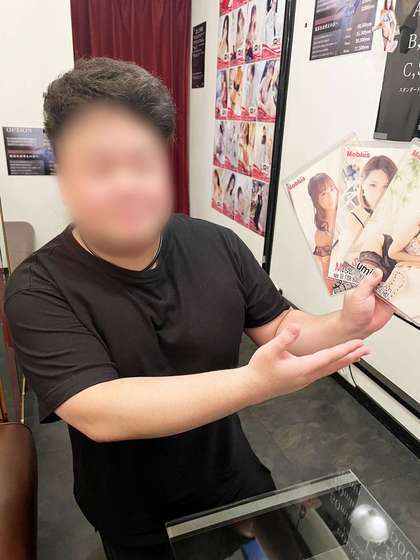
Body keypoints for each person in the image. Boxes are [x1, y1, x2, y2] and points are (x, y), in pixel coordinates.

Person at [4, 57, 392, 560]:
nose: (126, 184)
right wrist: (254, 383)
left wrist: (345, 322)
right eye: (98, 167)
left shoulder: (217, 244)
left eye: (142, 162)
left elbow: (280, 326)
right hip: (135, 512)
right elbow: (100, 410)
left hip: (234, 481)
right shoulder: (37, 288)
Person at [341, 155, 397, 264]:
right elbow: (364, 257)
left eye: (386, 187)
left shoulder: (395, 207)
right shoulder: (355, 218)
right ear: (362, 184)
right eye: (373, 185)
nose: (379, 193)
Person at [308, 173, 339, 293]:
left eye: (332, 189)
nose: (330, 196)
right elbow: (327, 276)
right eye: (323, 194)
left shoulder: (346, 214)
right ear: (316, 201)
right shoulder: (322, 235)